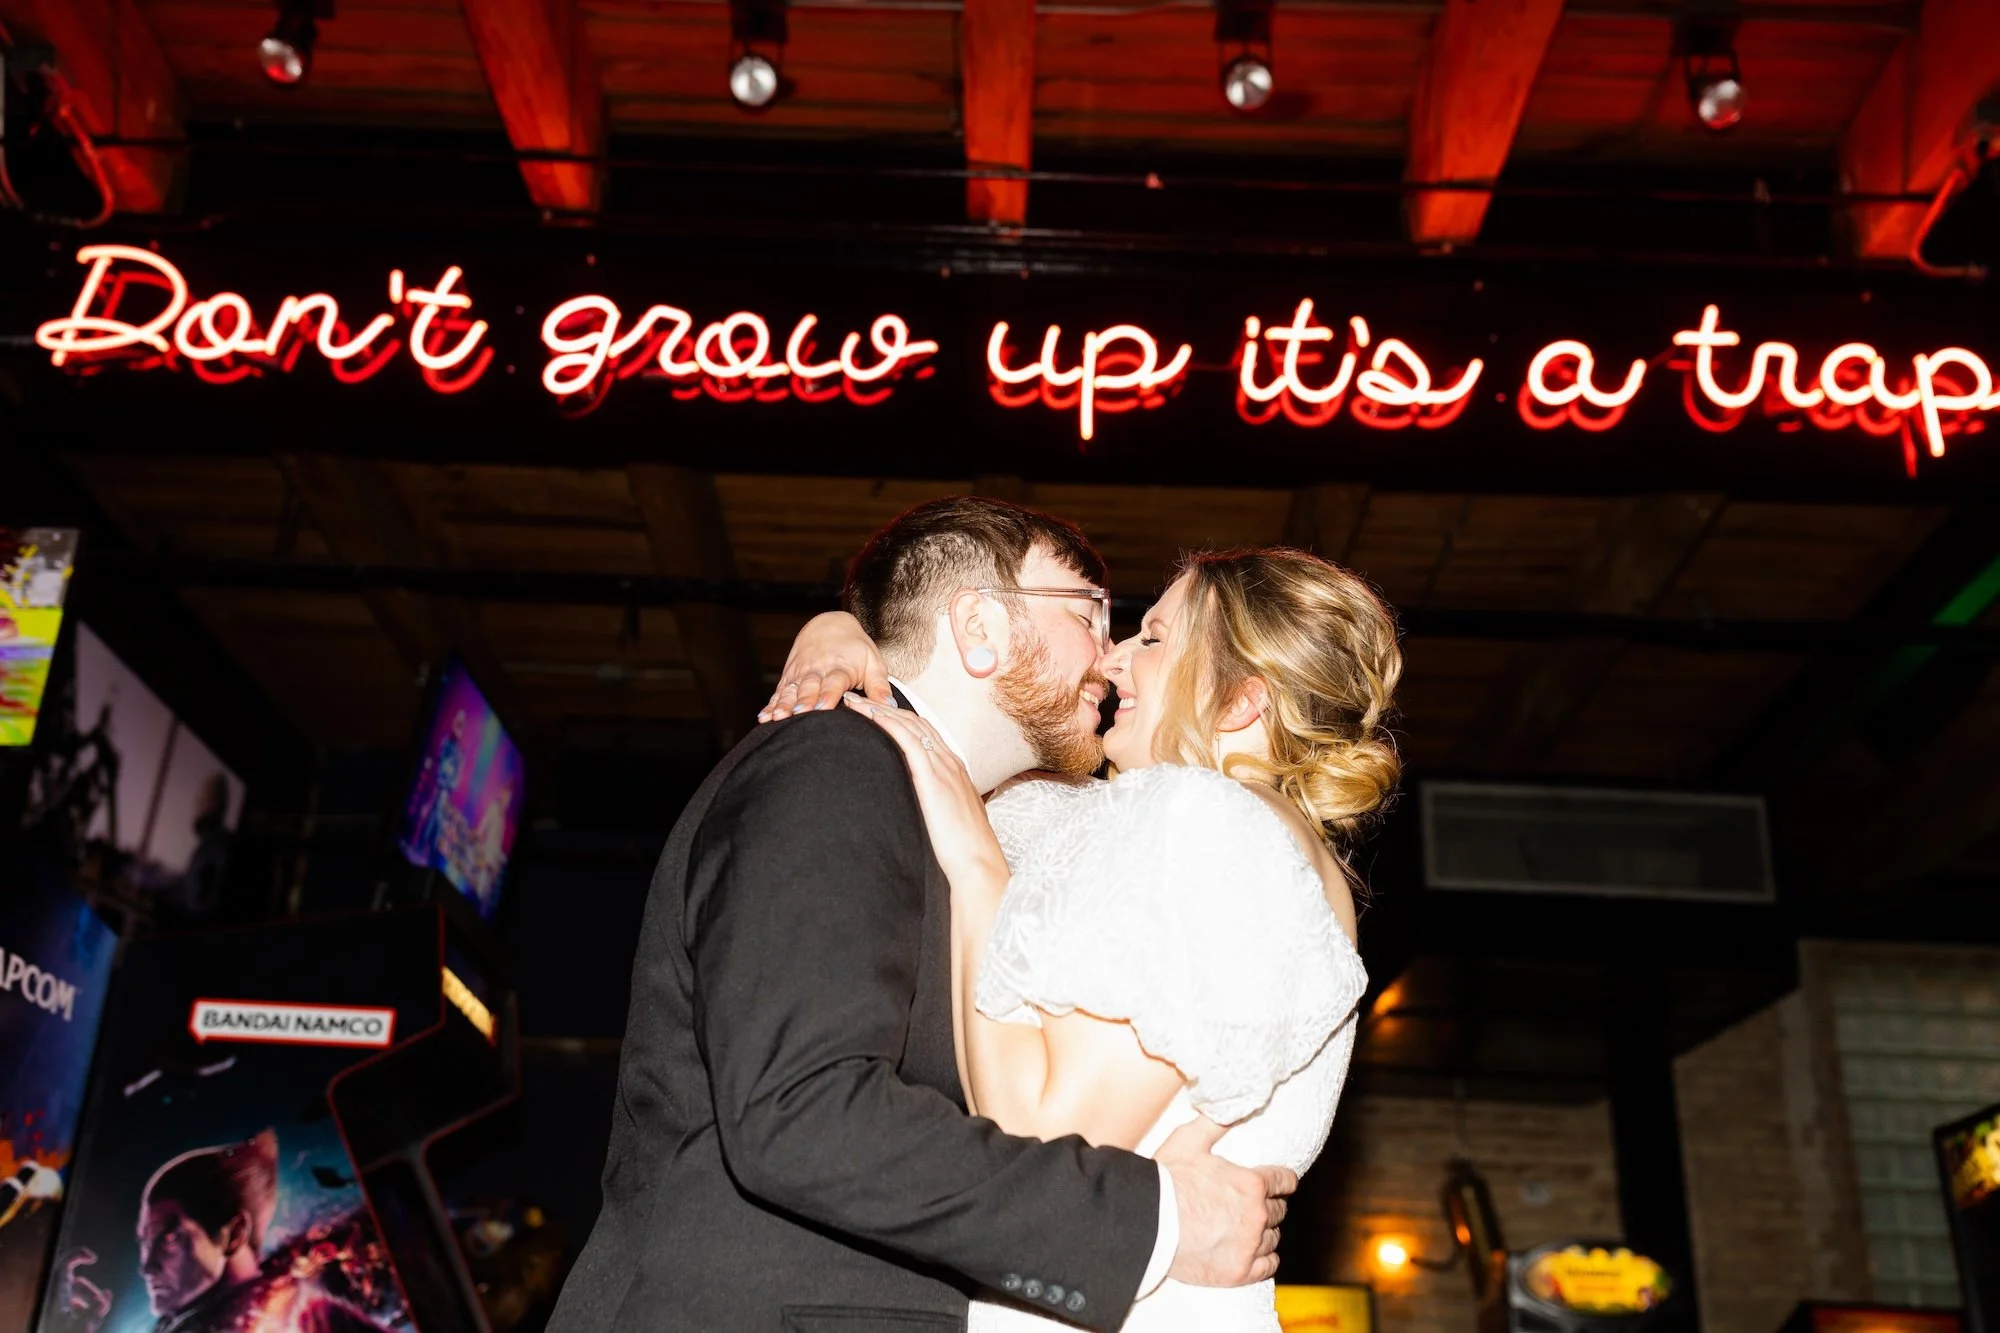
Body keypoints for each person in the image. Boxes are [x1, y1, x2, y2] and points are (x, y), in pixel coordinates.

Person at [547, 498, 1292, 1333]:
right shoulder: (837, 757)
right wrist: (1155, 1222)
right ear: (978, 627)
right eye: (1087, 613)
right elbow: (802, 1109)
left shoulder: (965, 813)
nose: (1110, 652)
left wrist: (838, 625)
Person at [763, 544, 1402, 1330]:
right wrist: (842, 632)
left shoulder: (1208, 822)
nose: (1115, 656)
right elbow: (1007, 789)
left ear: (1240, 699)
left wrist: (974, 862)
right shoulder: (1267, 850)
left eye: (1155, 638)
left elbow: (1039, 1137)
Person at [134, 1130, 387, 1333]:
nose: (147, 1267)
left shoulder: (306, 1316)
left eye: (168, 1238)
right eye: (144, 1243)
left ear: (234, 1234)